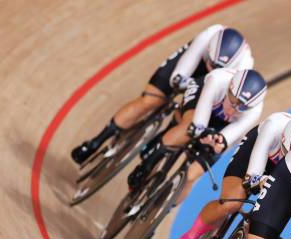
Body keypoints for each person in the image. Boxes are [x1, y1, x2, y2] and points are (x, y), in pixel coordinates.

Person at [163, 113, 291, 239]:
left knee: (264, 236)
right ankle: (190, 237)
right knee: (231, 202)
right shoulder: (273, 126)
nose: (285, 155)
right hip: (258, 154)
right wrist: (256, 179)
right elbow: (253, 172)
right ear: (283, 136)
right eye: (284, 149)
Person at [71, 25, 253, 164]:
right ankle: (97, 141)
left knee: (190, 117)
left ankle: (164, 136)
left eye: (216, 67)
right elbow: (184, 67)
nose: (211, 68)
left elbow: (210, 104)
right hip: (194, 61)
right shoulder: (208, 36)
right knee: (150, 100)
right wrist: (179, 81)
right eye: (211, 63)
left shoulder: (242, 70)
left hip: (218, 86)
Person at [126, 68, 268, 209]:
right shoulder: (217, 80)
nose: (233, 109)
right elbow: (199, 121)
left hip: (222, 126)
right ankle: (146, 166)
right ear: (230, 87)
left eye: (242, 107)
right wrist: (201, 131)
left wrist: (218, 142)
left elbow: (227, 138)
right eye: (233, 99)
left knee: (193, 174)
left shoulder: (254, 110)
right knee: (186, 129)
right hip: (202, 100)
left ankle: (161, 210)